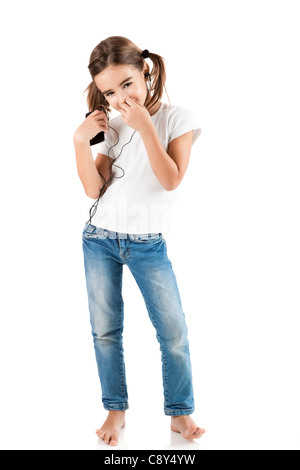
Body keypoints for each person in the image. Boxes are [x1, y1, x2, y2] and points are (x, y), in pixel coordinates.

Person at [73, 36, 206, 447]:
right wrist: (80, 142)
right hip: (100, 240)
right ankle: (115, 410)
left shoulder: (177, 119)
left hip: (149, 244)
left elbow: (170, 179)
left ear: (145, 73)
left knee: (173, 333)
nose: (119, 98)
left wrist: (146, 127)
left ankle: (180, 414)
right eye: (110, 92)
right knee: (105, 330)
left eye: (127, 84)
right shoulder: (110, 127)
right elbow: (94, 190)